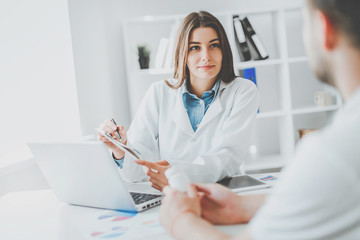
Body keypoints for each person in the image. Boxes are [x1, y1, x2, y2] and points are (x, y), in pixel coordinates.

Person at [159, 0, 360, 239]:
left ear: (322, 28)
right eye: (194, 48)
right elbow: (332, 196)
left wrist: (181, 220)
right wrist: (243, 206)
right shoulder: (344, 146)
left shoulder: (331, 152)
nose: (205, 56)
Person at [98, 11, 259, 191]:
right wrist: (120, 149)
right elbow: (136, 172)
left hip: (221, 194)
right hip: (173, 196)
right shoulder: (159, 92)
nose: (206, 56)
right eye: (195, 47)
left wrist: (176, 174)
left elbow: (227, 156)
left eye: (214, 45)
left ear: (224, 50)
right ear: (183, 52)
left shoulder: (243, 90)